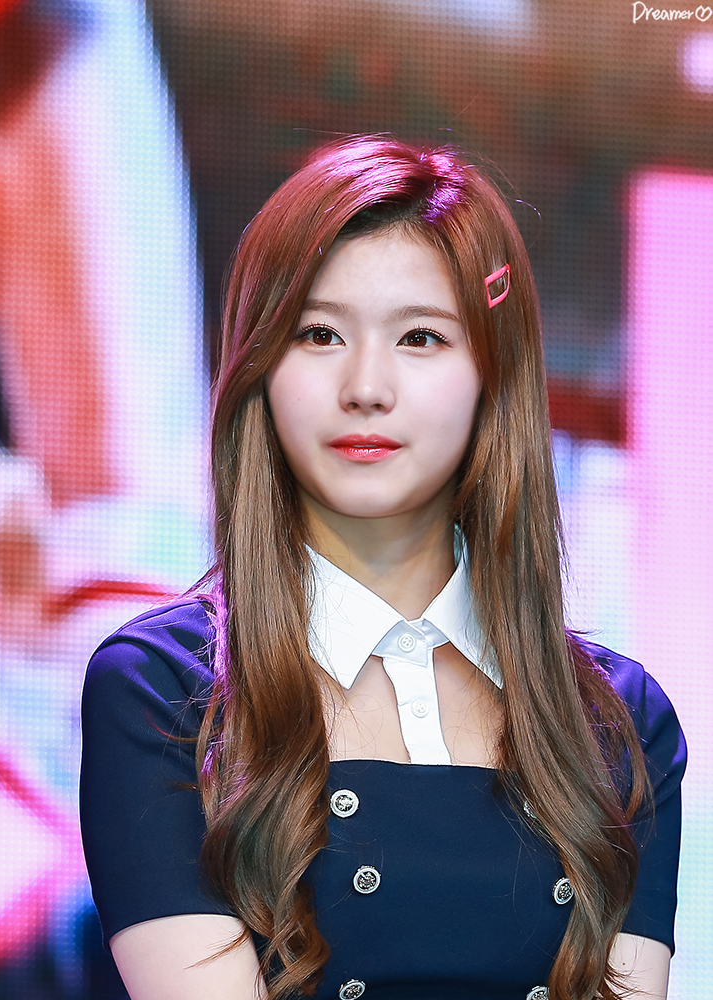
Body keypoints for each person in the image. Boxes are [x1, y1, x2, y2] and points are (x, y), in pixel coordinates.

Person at [80, 136, 684, 1000]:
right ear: (260, 368)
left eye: (420, 338)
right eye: (319, 334)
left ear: (493, 374)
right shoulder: (164, 689)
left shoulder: (618, 723)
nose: (366, 386)